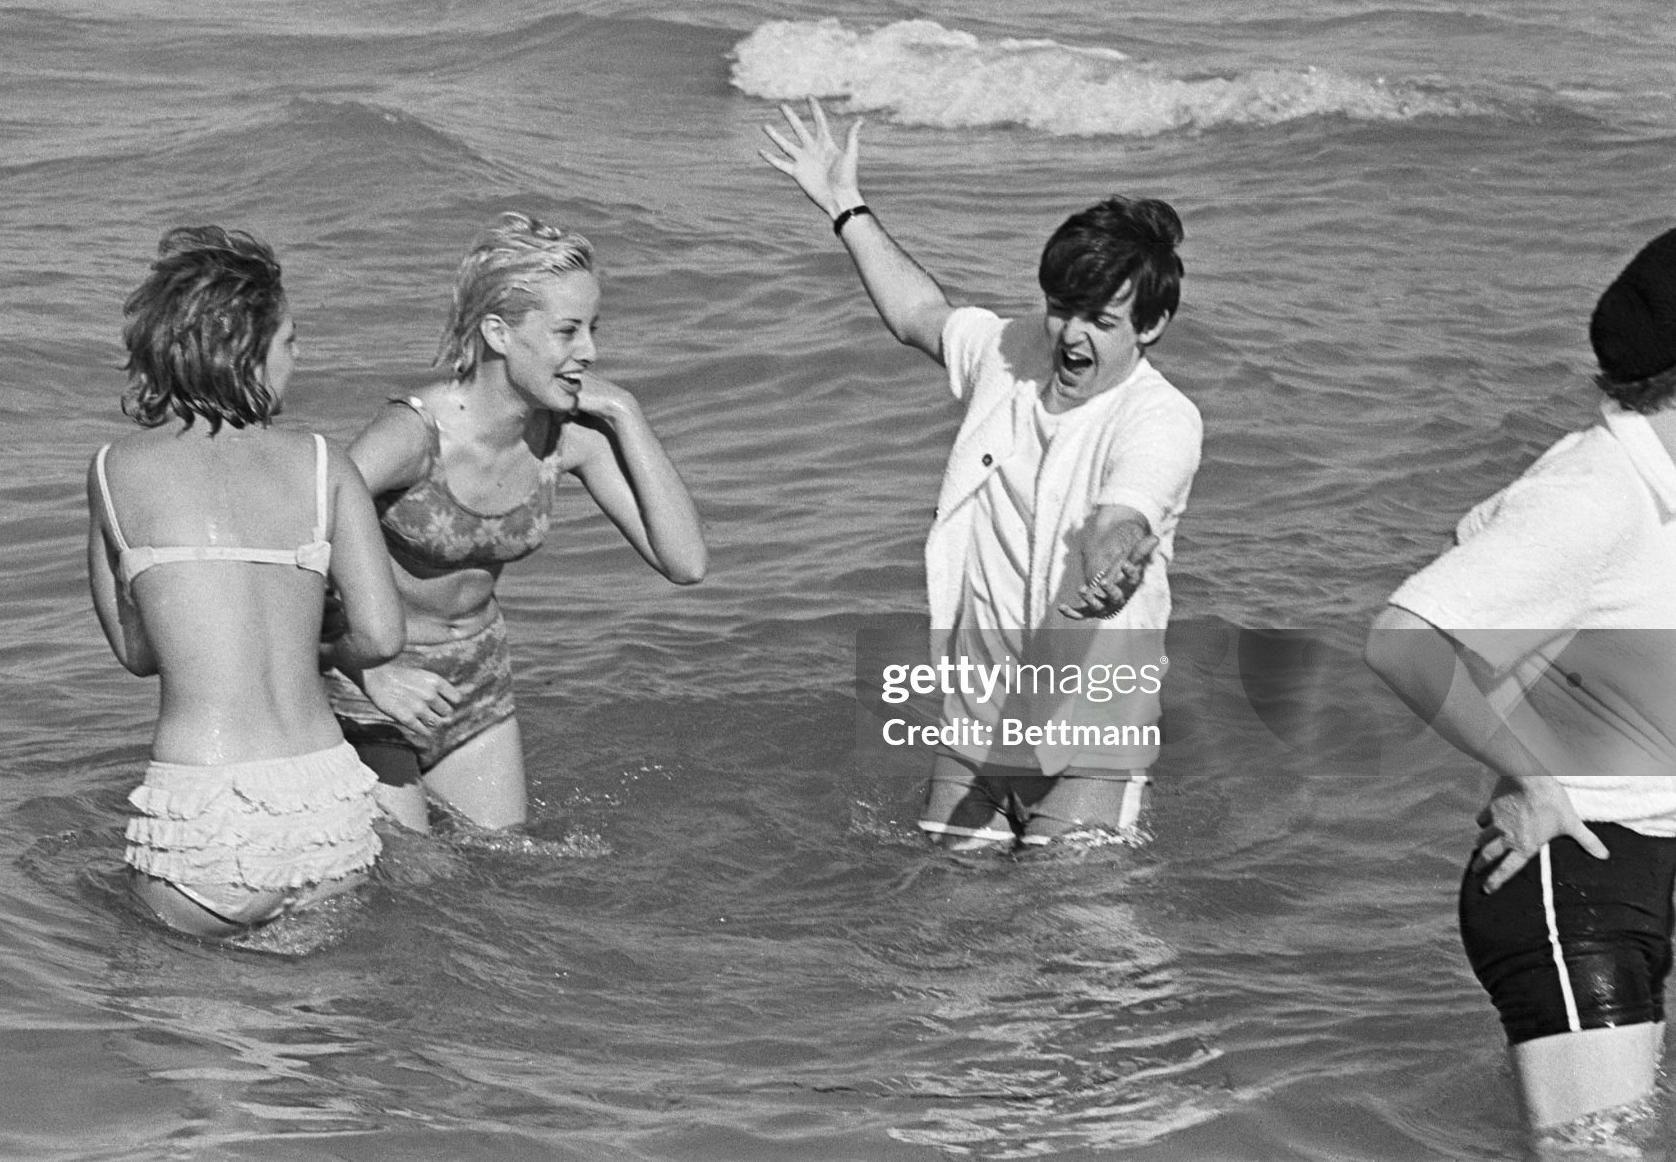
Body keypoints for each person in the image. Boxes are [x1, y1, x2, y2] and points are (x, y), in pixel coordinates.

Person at [762, 100, 1201, 849]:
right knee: (947, 941)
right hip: (978, 719)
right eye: (1062, 310)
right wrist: (846, 208)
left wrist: (1116, 568)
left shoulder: (1162, 419)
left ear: (1151, 325)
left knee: (1078, 945)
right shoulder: (1008, 353)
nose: (1070, 336)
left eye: (1100, 320)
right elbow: (919, 314)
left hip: (1092, 729)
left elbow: (1124, 516)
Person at [1366, 226, 1676, 1131]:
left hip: (1643, 862)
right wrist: (1529, 774)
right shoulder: (1599, 488)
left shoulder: (1645, 479)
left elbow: (1479, 541)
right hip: (1573, 876)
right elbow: (1407, 639)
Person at [326, 213, 707, 832]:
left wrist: (625, 410)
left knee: (493, 878)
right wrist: (368, 670)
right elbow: (291, 540)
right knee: (413, 882)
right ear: (499, 333)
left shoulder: (565, 439)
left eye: (592, 329)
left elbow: (685, 562)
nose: (589, 351)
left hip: (479, 687)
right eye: (566, 331)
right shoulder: (411, 435)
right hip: (373, 684)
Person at [87, 226, 405, 938]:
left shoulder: (116, 470)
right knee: (309, 1036)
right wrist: (303, 645)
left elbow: (138, 655)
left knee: (182, 1035)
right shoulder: (324, 464)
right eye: (290, 341)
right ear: (246, 349)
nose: (300, 357)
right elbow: (383, 635)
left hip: (204, 811)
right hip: (326, 807)